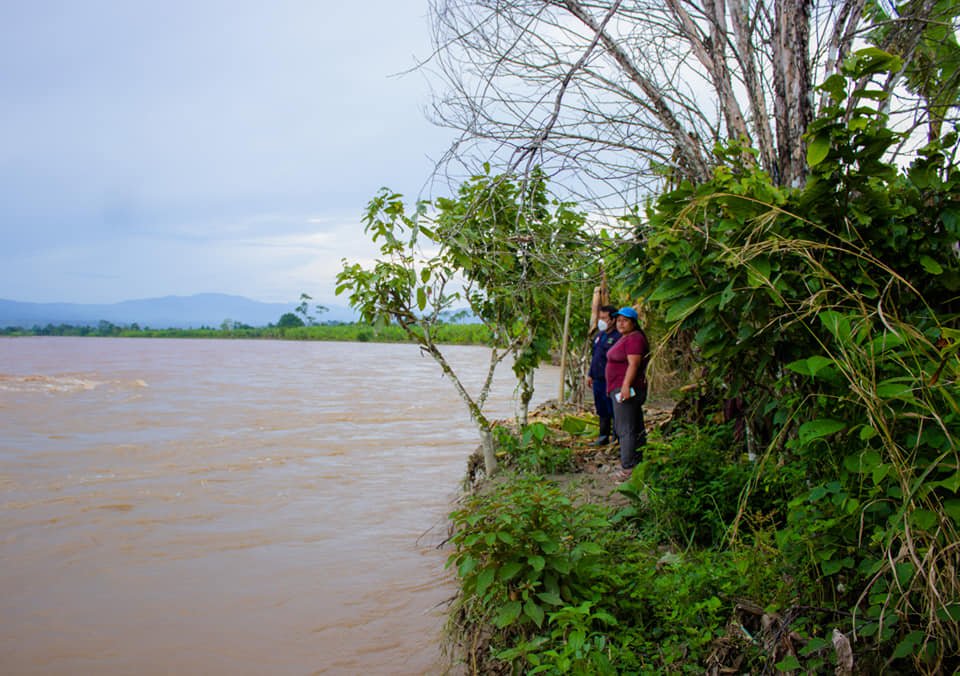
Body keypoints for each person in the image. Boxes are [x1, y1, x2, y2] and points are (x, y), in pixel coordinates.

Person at [605, 306, 650, 480]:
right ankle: (637, 463)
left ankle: (628, 468)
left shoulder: (635, 339)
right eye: (618, 320)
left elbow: (633, 364)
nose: (620, 323)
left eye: (625, 320)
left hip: (627, 389)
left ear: (633, 322)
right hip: (621, 388)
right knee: (635, 426)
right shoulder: (627, 338)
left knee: (625, 428)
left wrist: (625, 385)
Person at [586, 305, 620, 446]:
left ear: (612, 319)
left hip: (611, 379)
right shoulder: (599, 336)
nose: (601, 321)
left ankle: (617, 437)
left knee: (614, 408)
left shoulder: (618, 336)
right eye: (600, 318)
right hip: (598, 378)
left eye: (604, 318)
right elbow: (595, 356)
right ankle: (603, 436)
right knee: (601, 408)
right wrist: (590, 374)